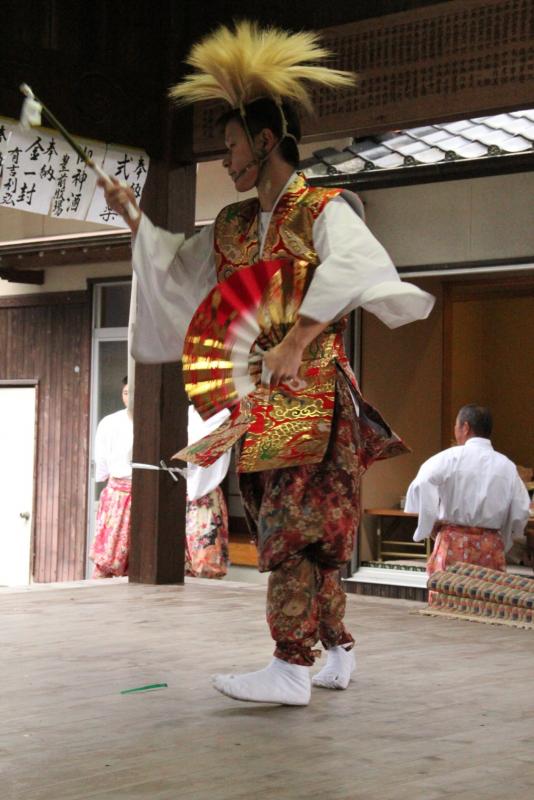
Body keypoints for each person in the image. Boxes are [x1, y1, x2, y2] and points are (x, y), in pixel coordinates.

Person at [99, 21, 435, 705]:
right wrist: (133, 216)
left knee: (297, 530)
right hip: (264, 401)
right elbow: (177, 264)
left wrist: (296, 338)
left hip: (314, 397)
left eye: (230, 148)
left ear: (265, 142)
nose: (225, 162)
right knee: (310, 534)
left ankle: (289, 668)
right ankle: (335, 650)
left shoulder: (322, 210)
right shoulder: (230, 226)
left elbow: (360, 268)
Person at [405, 404, 530, 576]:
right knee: (486, 599)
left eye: (456, 426)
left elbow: (422, 483)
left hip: (453, 541)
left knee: (447, 599)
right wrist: (506, 540)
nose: (455, 431)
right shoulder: (506, 466)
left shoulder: (448, 458)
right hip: (490, 545)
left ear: (465, 427)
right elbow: (521, 510)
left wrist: (428, 524)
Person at [90, 377, 133, 578]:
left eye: (133, 392)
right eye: (126, 392)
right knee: (107, 554)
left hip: (143, 491)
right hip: (117, 492)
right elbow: (101, 462)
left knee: (134, 554)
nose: (129, 397)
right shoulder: (109, 422)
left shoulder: (152, 421)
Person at [185, 405, 230, 579]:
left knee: (206, 562)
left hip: (205, 493)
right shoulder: (186, 412)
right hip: (181, 490)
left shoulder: (222, 415)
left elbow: (197, 449)